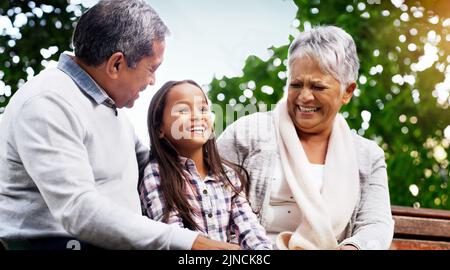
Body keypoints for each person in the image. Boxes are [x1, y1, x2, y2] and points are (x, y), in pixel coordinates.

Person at [0, 0, 237, 250]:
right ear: (116, 64)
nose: (153, 81)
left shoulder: (113, 114)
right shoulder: (48, 101)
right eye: (151, 69)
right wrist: (192, 243)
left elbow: (161, 166)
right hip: (55, 245)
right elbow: (78, 210)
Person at [217, 26, 394, 250]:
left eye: (318, 86)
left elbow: (376, 224)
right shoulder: (247, 133)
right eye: (296, 84)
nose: (304, 96)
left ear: (347, 92)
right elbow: (204, 196)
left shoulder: (368, 156)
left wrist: (353, 248)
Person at [139, 80, 272, 250]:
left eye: (203, 109)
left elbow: (250, 230)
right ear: (160, 129)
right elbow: (172, 236)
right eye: (183, 110)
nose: (197, 116)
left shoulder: (227, 176)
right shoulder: (156, 173)